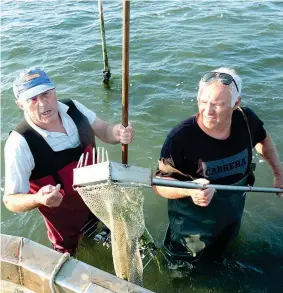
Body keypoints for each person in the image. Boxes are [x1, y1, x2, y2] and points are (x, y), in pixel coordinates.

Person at [153, 67, 283, 268]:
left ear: (235, 104)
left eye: (218, 104)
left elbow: (263, 139)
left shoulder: (246, 120)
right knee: (186, 273)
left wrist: (278, 173)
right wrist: (189, 189)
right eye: (203, 102)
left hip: (230, 220)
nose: (208, 111)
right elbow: (158, 184)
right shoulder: (180, 138)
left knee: (226, 260)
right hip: (191, 233)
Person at [3, 67, 134, 255]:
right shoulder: (19, 143)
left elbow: (105, 130)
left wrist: (119, 133)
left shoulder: (74, 109)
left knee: (113, 233)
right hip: (65, 220)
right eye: (32, 99)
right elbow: (10, 201)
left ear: (54, 91)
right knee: (69, 254)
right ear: (20, 104)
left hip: (100, 200)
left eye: (46, 94)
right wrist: (39, 198)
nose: (42, 103)